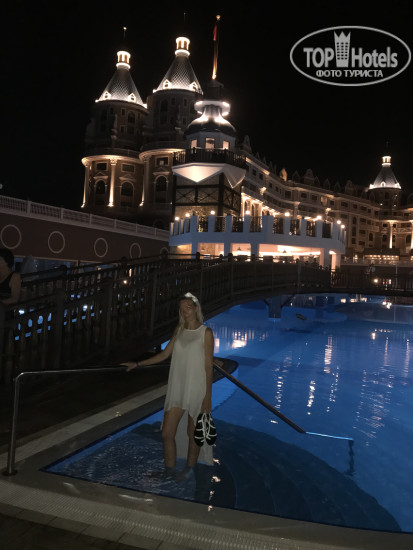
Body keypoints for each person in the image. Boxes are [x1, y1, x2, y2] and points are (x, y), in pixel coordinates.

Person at [125, 292, 214, 479]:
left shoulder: (205, 333)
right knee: (166, 433)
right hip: (177, 387)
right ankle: (169, 470)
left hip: (196, 388)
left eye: (188, 308)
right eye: (182, 309)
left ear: (196, 308)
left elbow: (208, 367)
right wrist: (138, 364)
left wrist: (207, 398)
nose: (185, 312)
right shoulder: (179, 330)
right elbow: (164, 355)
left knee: (193, 434)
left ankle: (188, 469)